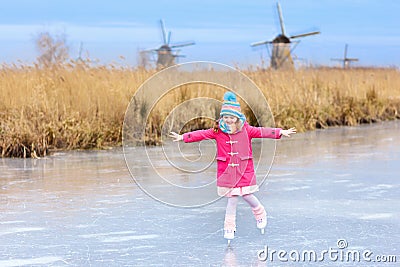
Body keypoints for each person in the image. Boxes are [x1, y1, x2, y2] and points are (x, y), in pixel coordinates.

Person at [169, 91, 296, 243]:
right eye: (226, 117)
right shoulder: (217, 131)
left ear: (238, 118)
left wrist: (280, 132)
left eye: (231, 117)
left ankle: (259, 211)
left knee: (248, 195)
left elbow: (262, 131)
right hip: (227, 172)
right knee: (232, 199)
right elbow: (201, 134)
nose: (228, 120)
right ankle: (229, 226)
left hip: (243, 170)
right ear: (222, 118)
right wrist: (183, 137)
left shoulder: (247, 130)